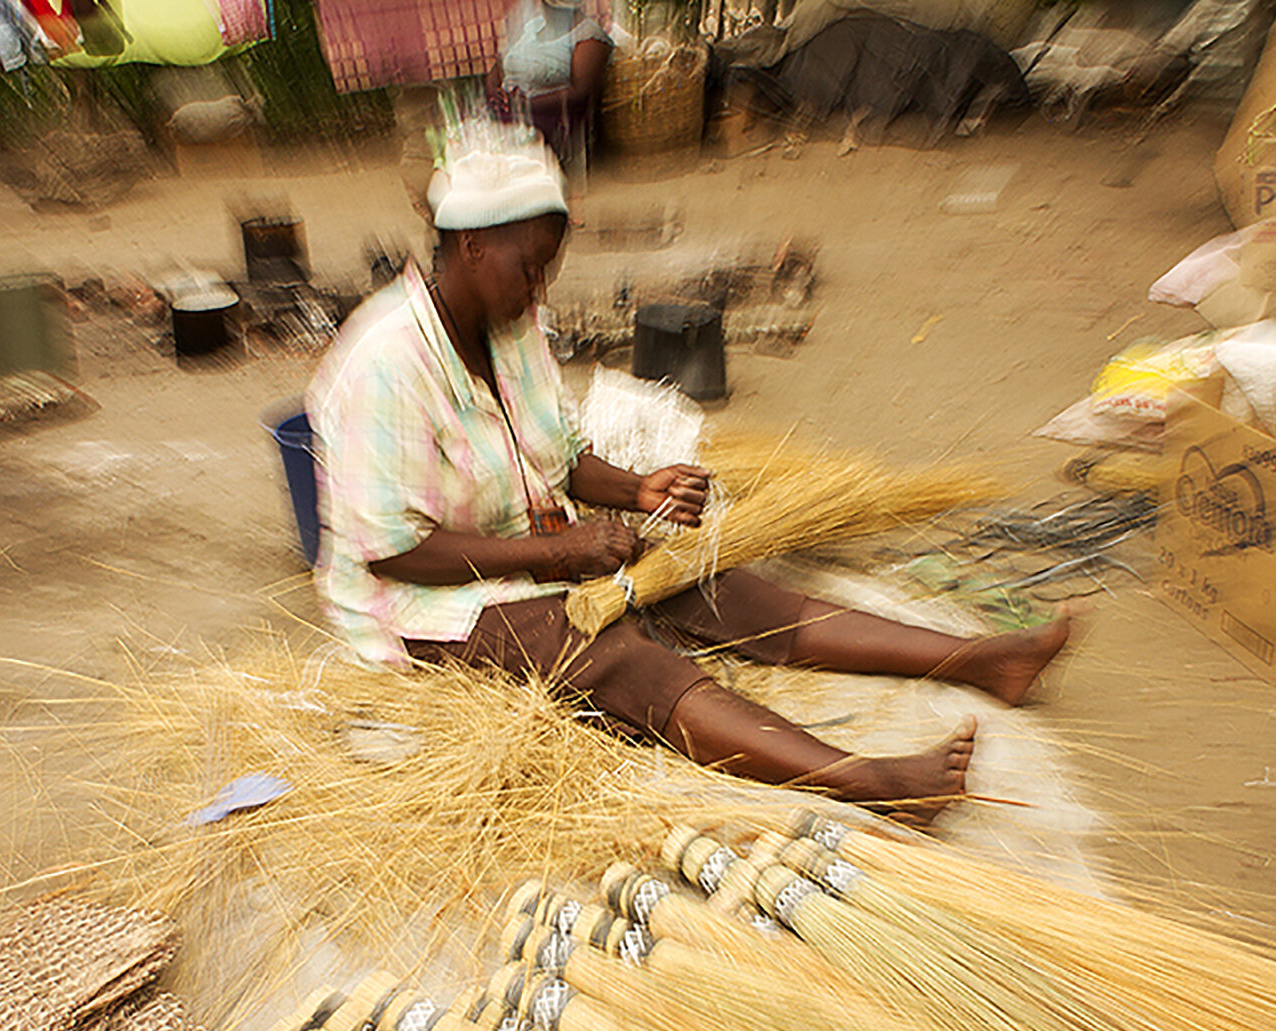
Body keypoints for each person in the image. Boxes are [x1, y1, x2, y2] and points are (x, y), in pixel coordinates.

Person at [308, 129, 1069, 826]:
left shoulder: (512, 326)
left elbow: (563, 458)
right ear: (470, 246)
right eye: (527, 267)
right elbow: (394, 553)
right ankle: (870, 782)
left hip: (535, 546)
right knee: (617, 654)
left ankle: (980, 660)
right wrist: (558, 556)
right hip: (426, 604)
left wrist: (637, 490)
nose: (540, 288)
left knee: (713, 585)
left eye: (548, 269)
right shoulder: (386, 364)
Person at [485, 0, 611, 166]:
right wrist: (494, 90)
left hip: (547, 123)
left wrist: (526, 105)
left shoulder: (589, 37)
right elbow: (499, 66)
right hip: (508, 114)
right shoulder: (531, 28)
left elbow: (580, 93)